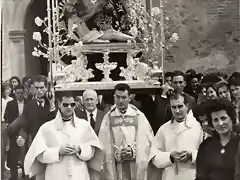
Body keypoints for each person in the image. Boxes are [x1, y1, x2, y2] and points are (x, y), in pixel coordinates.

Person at [24, 92, 103, 180]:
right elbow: (40, 155)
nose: (69, 107)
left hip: (79, 174)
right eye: (66, 104)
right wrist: (58, 152)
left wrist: (80, 149)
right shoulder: (47, 127)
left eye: (72, 104)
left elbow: (92, 150)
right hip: (56, 174)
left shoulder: (84, 125)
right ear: (59, 104)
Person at [96, 83, 154, 180]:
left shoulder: (138, 116)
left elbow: (147, 142)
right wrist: (115, 152)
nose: (120, 101)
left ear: (129, 98)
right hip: (116, 165)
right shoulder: (108, 118)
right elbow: (103, 144)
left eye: (124, 97)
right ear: (114, 97)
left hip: (134, 164)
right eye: (118, 97)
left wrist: (133, 151)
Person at [149, 93, 203, 180]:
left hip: (192, 175)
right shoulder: (164, 129)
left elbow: (208, 155)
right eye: (174, 107)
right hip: (170, 175)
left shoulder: (198, 127)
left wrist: (191, 155)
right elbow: (154, 156)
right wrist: (170, 156)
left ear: (187, 105)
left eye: (180, 106)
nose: (177, 111)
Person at [195, 99, 240, 180]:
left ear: (231, 118)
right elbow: (200, 176)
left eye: (223, 118)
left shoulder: (238, 143)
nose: (220, 123)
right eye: (215, 120)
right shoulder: (205, 145)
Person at [4, 85, 28, 180]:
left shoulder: (28, 103)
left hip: (25, 132)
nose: (20, 95)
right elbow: (6, 117)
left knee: (25, 154)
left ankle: (25, 175)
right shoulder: (10, 104)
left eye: (21, 93)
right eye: (18, 93)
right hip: (13, 132)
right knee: (14, 155)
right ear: (14, 93)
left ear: (24, 93)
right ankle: (13, 176)